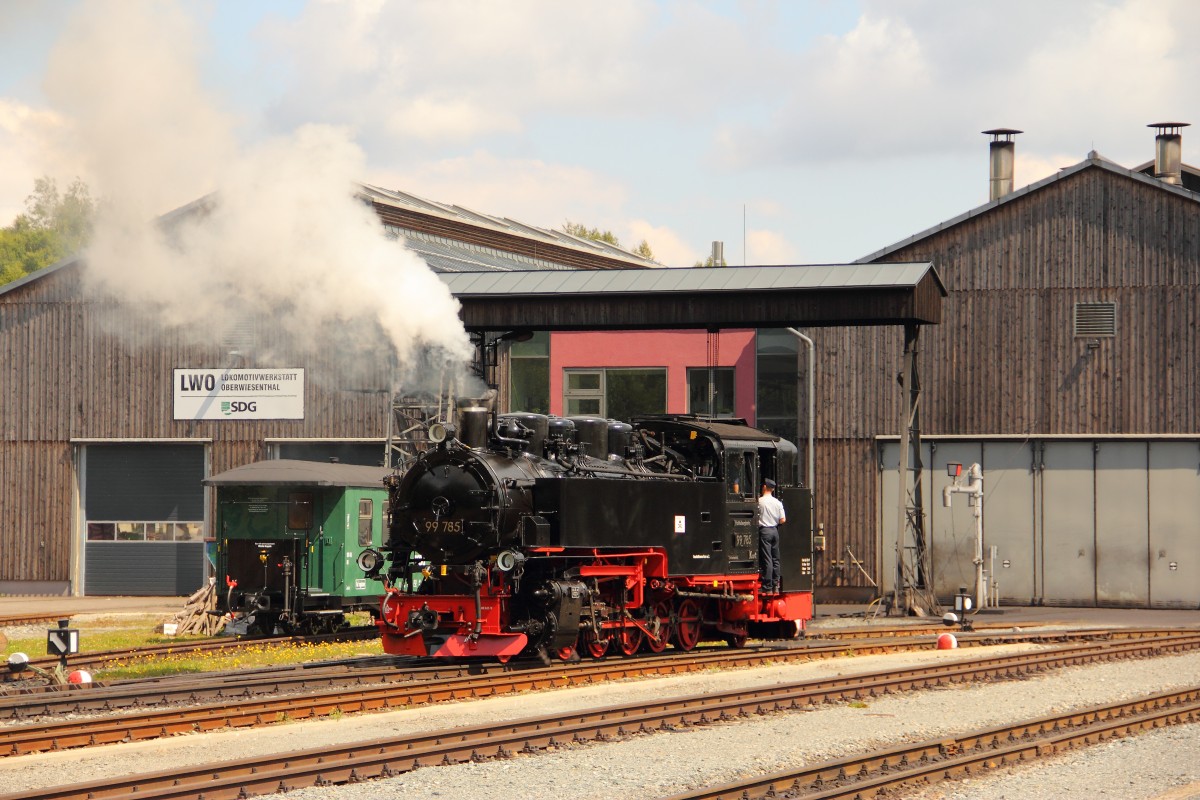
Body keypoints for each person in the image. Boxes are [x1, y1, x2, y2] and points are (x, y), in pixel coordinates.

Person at [758, 478, 786, 593]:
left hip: (764, 531)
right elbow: (783, 520)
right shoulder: (778, 503)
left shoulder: (759, 501)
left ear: (764, 487)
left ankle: (767, 586)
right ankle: (776, 585)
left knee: (767, 559)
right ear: (773, 489)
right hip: (775, 530)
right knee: (775, 559)